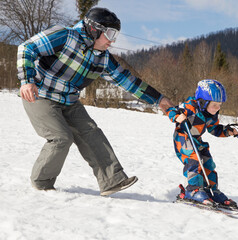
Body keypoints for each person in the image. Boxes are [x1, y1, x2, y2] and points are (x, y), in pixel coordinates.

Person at [17, 7, 174, 196]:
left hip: (69, 101)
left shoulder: (104, 59)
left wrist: (159, 99)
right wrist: (27, 81)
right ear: (94, 29)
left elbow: (128, 82)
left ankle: (112, 180)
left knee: (92, 133)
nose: (112, 40)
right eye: (109, 34)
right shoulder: (65, 36)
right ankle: (42, 183)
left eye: (115, 34)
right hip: (40, 95)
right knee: (61, 137)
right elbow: (27, 47)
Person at [166, 79, 238, 207]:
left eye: (220, 105)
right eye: (215, 105)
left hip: (196, 140)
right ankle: (192, 190)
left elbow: (214, 129)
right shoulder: (190, 107)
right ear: (203, 102)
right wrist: (177, 116)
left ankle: (211, 190)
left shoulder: (211, 114)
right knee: (195, 159)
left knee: (208, 161)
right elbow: (171, 110)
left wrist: (227, 131)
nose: (218, 108)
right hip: (183, 138)